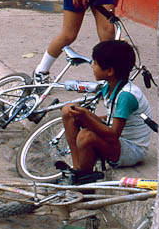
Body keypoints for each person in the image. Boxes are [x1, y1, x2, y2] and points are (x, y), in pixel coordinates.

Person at [60, 40, 151, 175]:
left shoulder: (127, 95)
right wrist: (84, 116)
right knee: (69, 110)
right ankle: (77, 168)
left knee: (86, 136)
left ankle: (84, 177)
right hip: (119, 140)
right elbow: (113, 118)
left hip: (133, 149)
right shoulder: (110, 86)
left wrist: (86, 117)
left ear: (109, 71)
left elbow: (113, 135)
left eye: (96, 63)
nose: (92, 66)